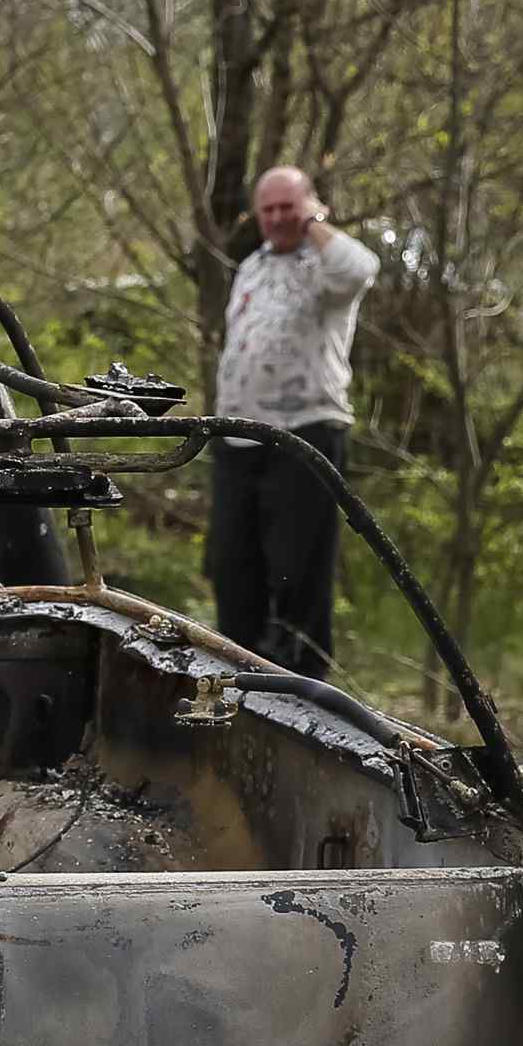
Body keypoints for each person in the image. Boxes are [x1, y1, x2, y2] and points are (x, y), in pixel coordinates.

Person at [208, 164, 380, 674]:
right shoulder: (251, 267)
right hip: (237, 438)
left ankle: (303, 686)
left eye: (290, 207)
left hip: (304, 436)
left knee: (297, 571)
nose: (279, 218)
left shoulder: (326, 263)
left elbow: (360, 268)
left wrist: (313, 225)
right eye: (270, 209)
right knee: (232, 567)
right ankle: (238, 673)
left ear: (310, 206)